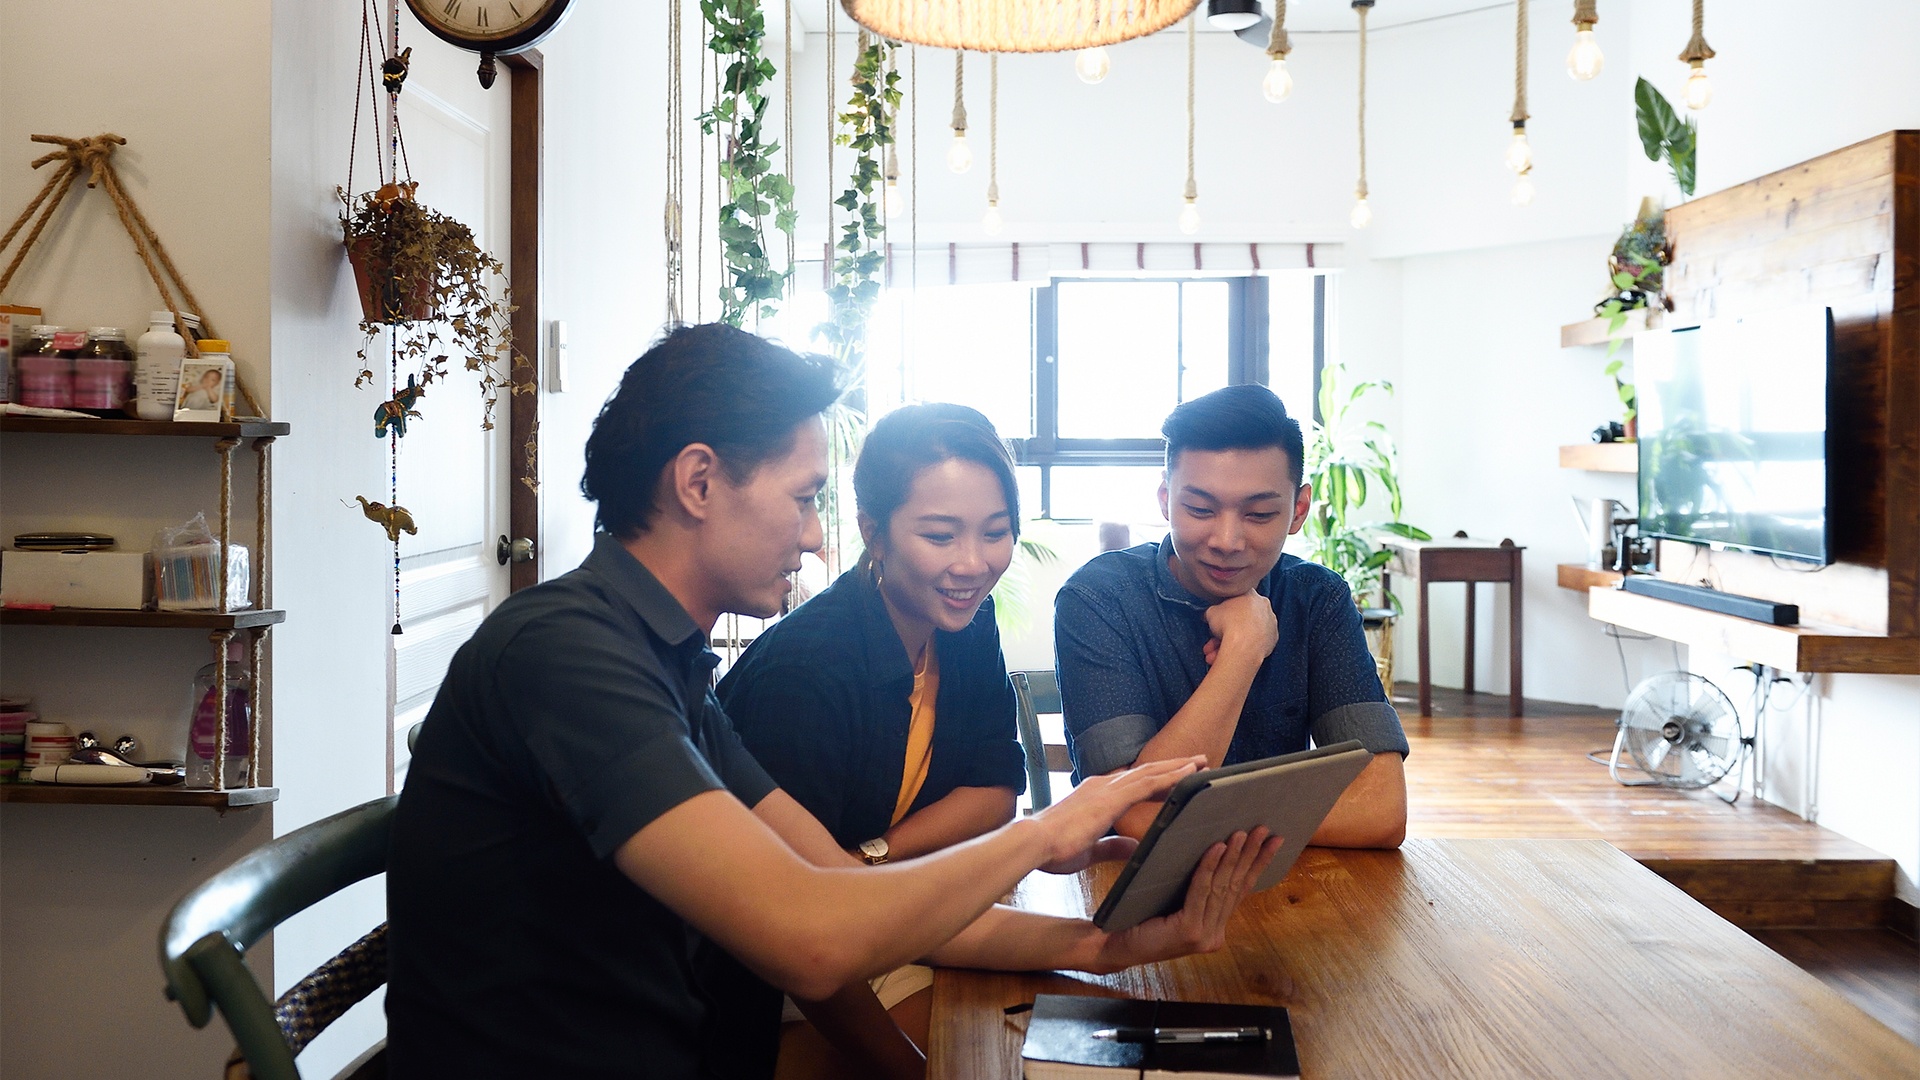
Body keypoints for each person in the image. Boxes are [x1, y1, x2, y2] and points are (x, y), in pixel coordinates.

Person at [386, 324, 1282, 1080]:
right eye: (804, 498)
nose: (816, 536)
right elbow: (810, 943)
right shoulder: (568, 657)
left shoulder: (664, 663)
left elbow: (845, 894)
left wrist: (1105, 948)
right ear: (697, 484)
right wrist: (1049, 833)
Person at [717, 403, 1028, 1062]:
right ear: (874, 533)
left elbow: (996, 791)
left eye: (995, 532)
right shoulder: (808, 670)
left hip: (890, 918)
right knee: (985, 1056)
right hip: (769, 979)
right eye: (940, 537)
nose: (973, 564)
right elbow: (798, 931)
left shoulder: (965, 622)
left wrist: (873, 862)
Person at [1053, 384, 1410, 844]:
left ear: (1298, 510)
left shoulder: (1315, 598)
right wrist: (1242, 651)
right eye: (1200, 509)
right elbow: (1137, 816)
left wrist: (1197, 822)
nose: (1227, 540)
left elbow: (1381, 809)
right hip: (1123, 887)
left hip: (1281, 885)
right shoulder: (1099, 599)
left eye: (1259, 514)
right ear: (1165, 501)